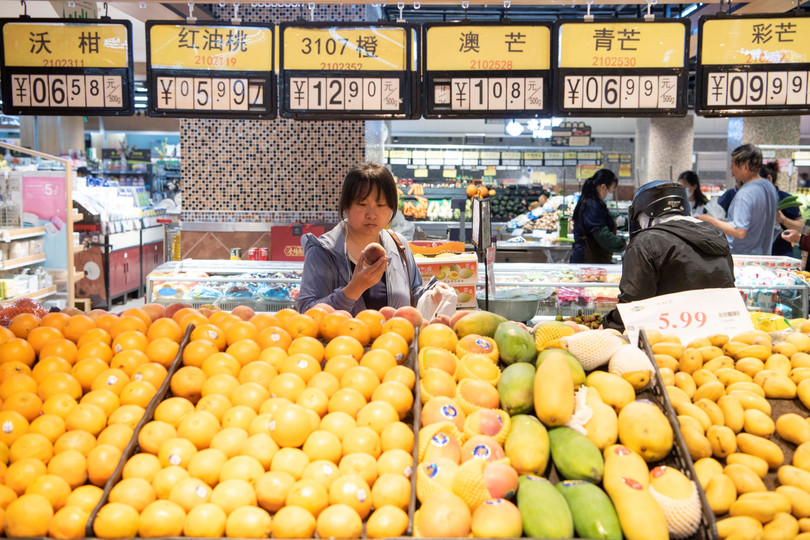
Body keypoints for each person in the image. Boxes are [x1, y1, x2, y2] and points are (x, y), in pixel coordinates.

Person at [297, 162, 436, 315]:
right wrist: (354, 289)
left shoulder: (398, 245)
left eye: (381, 205)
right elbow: (307, 311)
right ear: (346, 205)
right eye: (362, 204)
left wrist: (433, 294)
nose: (372, 214)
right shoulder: (323, 251)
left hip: (396, 331)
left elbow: (412, 294)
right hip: (344, 332)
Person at [604, 181, 735, 331]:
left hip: (668, 337)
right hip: (719, 334)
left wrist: (607, 325)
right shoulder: (716, 234)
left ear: (645, 214)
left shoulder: (644, 242)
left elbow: (633, 304)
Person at [696, 144, 778, 255]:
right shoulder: (769, 187)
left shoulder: (746, 193)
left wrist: (710, 220)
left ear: (745, 166)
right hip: (764, 256)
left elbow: (739, 231)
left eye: (733, 163)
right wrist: (724, 222)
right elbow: (753, 224)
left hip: (743, 257)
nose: (731, 168)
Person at [570, 169, 626, 264]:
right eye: (612, 189)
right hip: (587, 259)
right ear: (603, 187)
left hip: (592, 258)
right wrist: (624, 244)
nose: (612, 193)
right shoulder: (592, 205)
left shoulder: (594, 203)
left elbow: (605, 216)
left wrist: (622, 220)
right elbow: (603, 236)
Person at [762, 161, 801, 256]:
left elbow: (800, 227)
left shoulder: (785, 199)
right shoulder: (751, 199)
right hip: (757, 253)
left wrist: (782, 219)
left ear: (768, 179)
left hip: (781, 253)